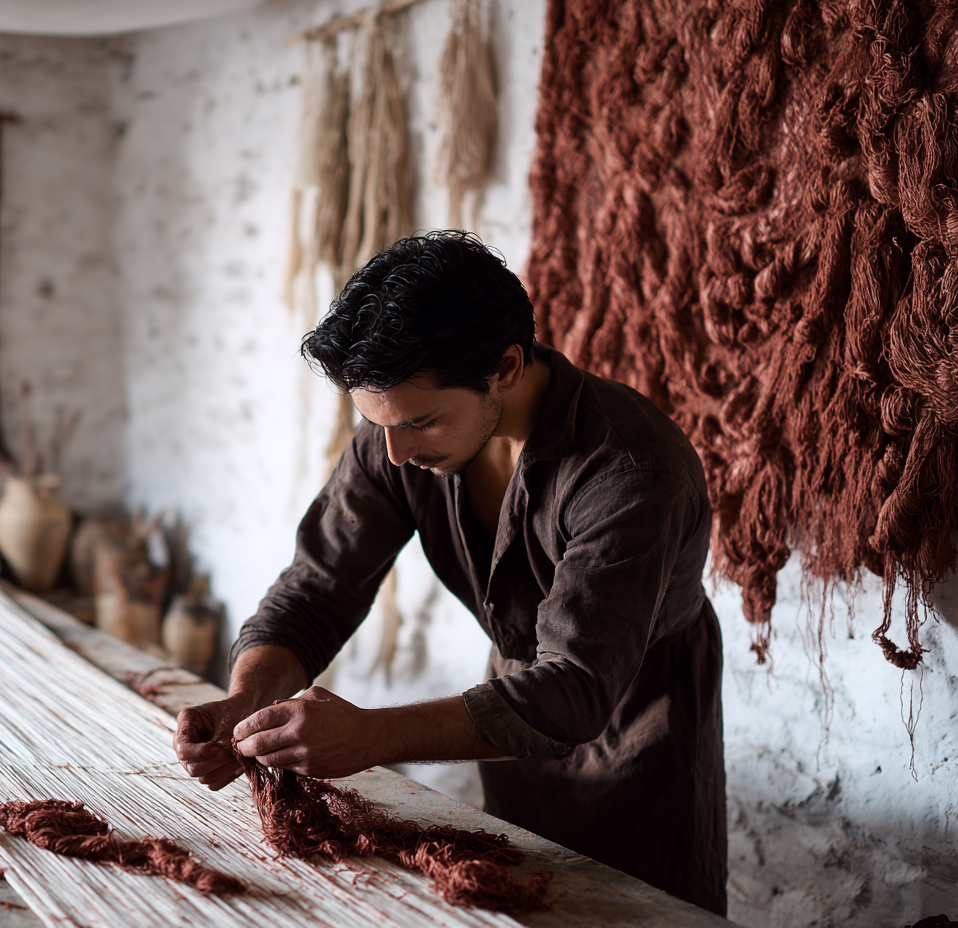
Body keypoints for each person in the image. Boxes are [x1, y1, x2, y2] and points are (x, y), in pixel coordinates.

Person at [173, 231, 727, 915]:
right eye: (379, 425)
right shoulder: (396, 438)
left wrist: (372, 737)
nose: (395, 454)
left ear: (505, 368)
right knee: (515, 901)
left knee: (637, 914)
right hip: (512, 727)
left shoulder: (631, 470)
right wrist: (244, 700)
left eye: (422, 422)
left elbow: (576, 687)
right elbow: (315, 592)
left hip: (643, 732)